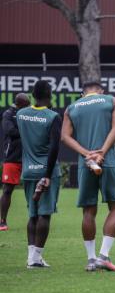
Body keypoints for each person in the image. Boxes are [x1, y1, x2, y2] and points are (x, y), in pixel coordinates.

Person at [61, 81, 115, 271]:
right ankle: (103, 256)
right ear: (101, 90)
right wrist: (102, 152)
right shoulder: (111, 100)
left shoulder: (72, 108)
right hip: (108, 160)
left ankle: (90, 259)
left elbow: (65, 137)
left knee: (88, 211)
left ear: (83, 93)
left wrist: (86, 154)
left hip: (85, 163)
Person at [16, 81, 61, 268]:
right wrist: (48, 175)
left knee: (32, 214)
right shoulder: (53, 116)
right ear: (50, 94)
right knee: (45, 214)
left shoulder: (20, 114)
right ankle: (36, 258)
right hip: (46, 170)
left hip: (28, 171)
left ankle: (31, 257)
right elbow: (54, 148)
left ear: (33, 95)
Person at [0, 93, 30, 231]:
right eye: (26, 104)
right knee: (7, 190)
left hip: (29, 157)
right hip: (12, 157)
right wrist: (27, 129)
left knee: (33, 189)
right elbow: (10, 131)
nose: (29, 106)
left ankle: (34, 218)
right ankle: (2, 221)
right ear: (19, 103)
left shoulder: (29, 113)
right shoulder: (8, 114)